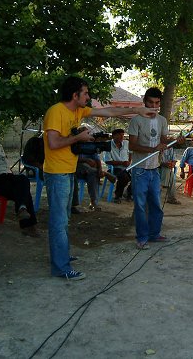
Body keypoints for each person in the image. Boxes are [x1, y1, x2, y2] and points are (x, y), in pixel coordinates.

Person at [43, 76, 158, 280]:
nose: (88, 96)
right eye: (85, 93)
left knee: (65, 218)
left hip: (68, 171)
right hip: (57, 173)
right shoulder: (55, 112)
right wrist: (79, 137)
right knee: (59, 221)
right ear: (74, 95)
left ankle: (62, 257)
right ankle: (61, 267)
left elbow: (110, 111)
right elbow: (53, 143)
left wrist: (137, 111)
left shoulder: (78, 110)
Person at [128, 87, 183, 249]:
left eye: (157, 103)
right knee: (140, 205)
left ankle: (154, 234)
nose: (153, 106)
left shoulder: (162, 120)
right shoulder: (136, 120)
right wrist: (153, 149)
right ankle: (142, 237)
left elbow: (164, 140)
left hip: (155, 169)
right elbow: (132, 145)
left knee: (156, 204)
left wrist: (176, 140)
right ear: (144, 101)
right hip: (139, 170)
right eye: (150, 102)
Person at [105, 128, 132, 204]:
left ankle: (129, 193)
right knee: (124, 177)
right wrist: (121, 163)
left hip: (127, 167)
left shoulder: (126, 143)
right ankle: (118, 196)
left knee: (138, 175)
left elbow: (131, 152)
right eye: (119, 135)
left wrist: (129, 161)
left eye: (122, 135)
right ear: (113, 136)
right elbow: (107, 161)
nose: (121, 137)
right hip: (115, 168)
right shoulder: (108, 144)